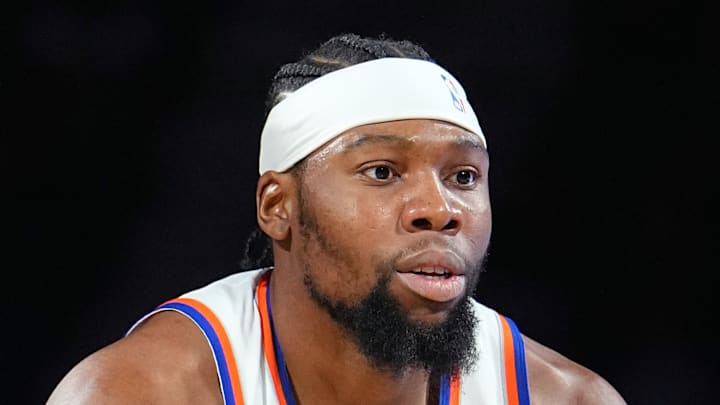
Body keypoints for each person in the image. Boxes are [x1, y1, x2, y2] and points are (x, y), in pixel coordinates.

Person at [47, 33, 627, 405]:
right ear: (278, 206)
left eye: (463, 177)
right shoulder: (142, 392)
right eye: (382, 171)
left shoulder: (566, 397)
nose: (440, 210)